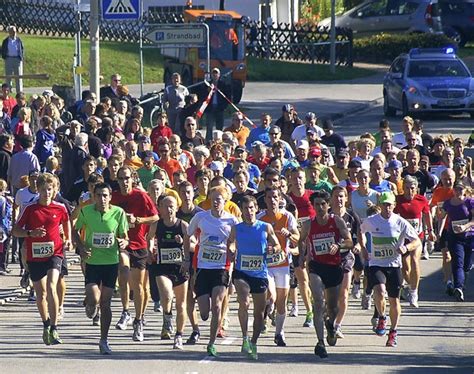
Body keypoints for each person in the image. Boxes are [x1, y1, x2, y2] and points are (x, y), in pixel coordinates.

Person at [12, 173, 72, 345]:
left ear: (54, 191)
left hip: (55, 252)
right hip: (35, 254)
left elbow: (67, 221)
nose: (47, 193)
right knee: (41, 293)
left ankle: (54, 327)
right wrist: (30, 233)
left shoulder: (59, 207)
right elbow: (16, 230)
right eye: (44, 189)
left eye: (50, 189)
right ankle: (46, 324)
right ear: (38, 190)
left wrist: (68, 239)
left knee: (52, 285)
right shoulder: (30, 209)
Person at [360, 191, 422, 347]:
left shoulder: (400, 222)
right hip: (376, 263)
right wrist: (363, 248)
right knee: (380, 291)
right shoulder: (372, 221)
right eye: (384, 205)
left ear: (394, 205)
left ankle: (393, 331)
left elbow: (416, 241)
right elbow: (360, 231)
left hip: (394, 265)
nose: (387, 208)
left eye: (390, 205)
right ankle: (381, 317)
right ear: (379, 205)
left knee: (394, 301)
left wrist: (406, 247)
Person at [74, 182, 129, 354]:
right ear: (93, 196)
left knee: (106, 303)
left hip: (111, 263)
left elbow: (125, 237)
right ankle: (90, 305)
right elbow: (75, 230)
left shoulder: (118, 213)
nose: (102, 199)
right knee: (94, 297)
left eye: (105, 195)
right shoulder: (86, 211)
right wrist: (81, 247)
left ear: (110, 197)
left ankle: (104, 340)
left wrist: (123, 242)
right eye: (98, 195)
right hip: (92, 262)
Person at [186, 185, 239, 357]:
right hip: (203, 267)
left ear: (225, 201)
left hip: (221, 268)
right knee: (204, 313)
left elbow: (237, 240)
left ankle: (211, 343)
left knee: (217, 305)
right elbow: (189, 235)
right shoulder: (200, 217)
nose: (216, 202)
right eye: (213, 199)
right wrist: (188, 256)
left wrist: (232, 248)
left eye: (219, 199)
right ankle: (204, 316)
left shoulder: (232, 221)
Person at [299, 190, 353, 358]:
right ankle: (320, 342)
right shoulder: (308, 224)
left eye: (323, 204)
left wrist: (339, 246)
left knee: (333, 308)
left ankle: (330, 324)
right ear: (313, 206)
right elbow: (301, 240)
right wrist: (302, 257)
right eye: (317, 205)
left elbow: (350, 241)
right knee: (318, 302)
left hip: (334, 267)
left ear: (329, 205)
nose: (321, 207)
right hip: (316, 266)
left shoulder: (336, 221)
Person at [227, 195, 280, 360]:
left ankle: (254, 342)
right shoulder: (237, 228)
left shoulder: (265, 227)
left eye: (251, 208)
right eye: (245, 208)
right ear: (241, 211)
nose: (249, 212)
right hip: (241, 272)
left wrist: (274, 249)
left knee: (258, 313)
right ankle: (244, 337)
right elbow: (230, 242)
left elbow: (277, 245)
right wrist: (232, 249)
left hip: (260, 274)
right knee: (244, 301)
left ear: (256, 209)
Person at [111, 166, 159, 341]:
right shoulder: (114, 197)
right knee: (123, 271)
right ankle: (125, 311)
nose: (124, 182)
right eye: (121, 179)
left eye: (127, 178)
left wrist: (138, 220)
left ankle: (138, 320)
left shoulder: (141, 196)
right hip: (122, 243)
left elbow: (155, 217)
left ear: (133, 179)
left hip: (139, 244)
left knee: (140, 286)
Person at [147, 195, 191, 349]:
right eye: (165, 206)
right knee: (166, 294)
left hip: (180, 267)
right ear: (159, 209)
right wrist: (150, 249)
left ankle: (179, 335)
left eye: (171, 206)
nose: (169, 209)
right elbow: (150, 238)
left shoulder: (183, 225)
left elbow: (194, 243)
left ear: (177, 207)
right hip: (162, 266)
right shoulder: (156, 225)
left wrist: (183, 243)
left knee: (181, 304)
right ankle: (167, 316)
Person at [258, 187, 299, 346]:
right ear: (265, 200)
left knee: (282, 302)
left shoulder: (287, 217)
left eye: (275, 197)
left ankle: (279, 333)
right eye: (269, 197)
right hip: (266, 265)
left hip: (283, 264)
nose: (272, 200)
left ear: (280, 198)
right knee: (272, 295)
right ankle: (268, 306)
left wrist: (288, 234)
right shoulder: (260, 218)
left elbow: (297, 237)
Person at [394, 176, 435, 307]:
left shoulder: (421, 200)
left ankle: (414, 293)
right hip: (403, 238)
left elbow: (427, 214)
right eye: (407, 188)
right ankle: (410, 284)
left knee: (415, 261)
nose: (410, 191)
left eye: (412, 188)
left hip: (417, 237)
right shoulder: (398, 200)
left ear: (416, 189)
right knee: (405, 268)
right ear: (403, 188)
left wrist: (431, 231)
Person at [438, 182, 473, 302]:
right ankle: (458, 287)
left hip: (469, 237)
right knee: (457, 262)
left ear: (465, 190)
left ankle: (462, 278)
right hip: (454, 237)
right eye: (456, 189)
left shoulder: (469, 202)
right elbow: (442, 217)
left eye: (460, 189)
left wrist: (465, 226)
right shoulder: (448, 203)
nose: (458, 191)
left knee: (467, 265)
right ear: (453, 190)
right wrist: (439, 231)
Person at [204, 68, 231, 142]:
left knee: (219, 127)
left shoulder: (223, 84)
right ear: (211, 75)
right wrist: (208, 91)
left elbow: (227, 97)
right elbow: (203, 96)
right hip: (210, 109)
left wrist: (224, 107)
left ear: (219, 75)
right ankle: (208, 142)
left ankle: (219, 141)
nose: (215, 75)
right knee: (209, 127)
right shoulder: (207, 84)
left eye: (216, 73)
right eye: (213, 73)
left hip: (220, 109)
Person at [1, 26, 24, 93]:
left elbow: (22, 49)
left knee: (18, 77)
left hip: (17, 59)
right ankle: (8, 91)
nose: (14, 33)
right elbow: (3, 49)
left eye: (15, 31)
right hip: (9, 59)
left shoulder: (18, 40)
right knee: (8, 77)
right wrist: (4, 57)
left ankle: (19, 92)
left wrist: (21, 57)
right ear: (9, 32)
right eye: (12, 32)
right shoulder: (6, 41)